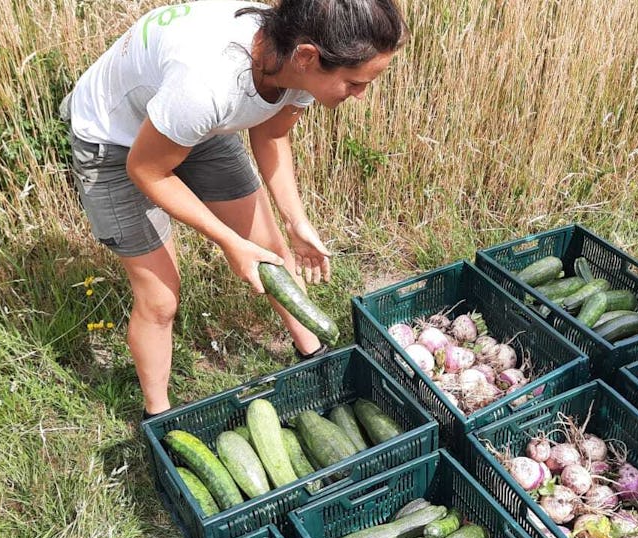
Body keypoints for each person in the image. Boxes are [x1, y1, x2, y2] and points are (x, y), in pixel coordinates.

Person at [61, 0, 406, 418]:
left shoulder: (299, 51)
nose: (360, 94)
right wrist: (229, 242)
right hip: (114, 142)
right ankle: (159, 418)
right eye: (354, 83)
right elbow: (147, 169)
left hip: (189, 123)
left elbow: (272, 134)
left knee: (271, 248)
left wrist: (296, 221)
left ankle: (315, 356)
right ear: (308, 57)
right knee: (160, 298)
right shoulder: (207, 83)